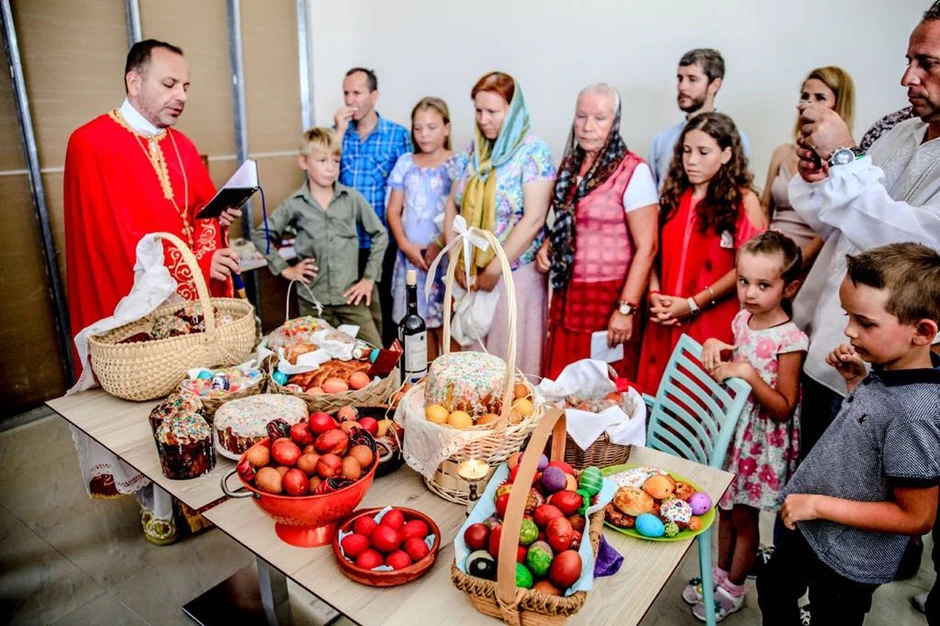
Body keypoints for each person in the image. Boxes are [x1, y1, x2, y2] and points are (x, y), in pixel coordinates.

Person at [64, 39, 241, 544]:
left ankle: (195, 491)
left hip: (185, 301)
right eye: (169, 84)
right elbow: (113, 240)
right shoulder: (91, 143)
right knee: (146, 402)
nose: (181, 95)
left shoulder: (182, 146)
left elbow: (200, 218)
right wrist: (195, 264)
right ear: (133, 81)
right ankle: (156, 502)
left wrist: (217, 224)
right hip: (136, 301)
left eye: (186, 85)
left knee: (190, 395)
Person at [757, 242, 940, 626]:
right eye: (848, 316)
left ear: (922, 332)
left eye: (866, 323)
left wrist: (818, 506)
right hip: (814, 525)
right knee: (774, 586)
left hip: (849, 558)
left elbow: (917, 517)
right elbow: (875, 432)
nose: (849, 330)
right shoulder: (891, 370)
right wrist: (858, 381)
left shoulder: (916, 412)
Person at [788, 4, 940, 462]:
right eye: (909, 61)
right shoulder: (901, 133)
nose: (907, 78)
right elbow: (840, 225)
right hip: (826, 342)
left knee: (861, 516)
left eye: (926, 64)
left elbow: (910, 252)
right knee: (805, 495)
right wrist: (819, 179)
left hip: (883, 373)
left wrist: (845, 160)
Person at [681, 232, 807, 622]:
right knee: (724, 509)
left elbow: (784, 407)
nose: (749, 293)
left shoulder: (790, 340)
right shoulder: (744, 319)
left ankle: (734, 588)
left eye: (763, 285)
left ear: (791, 287)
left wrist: (748, 374)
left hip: (759, 443)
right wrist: (721, 345)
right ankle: (717, 574)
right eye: (743, 281)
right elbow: (739, 355)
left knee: (744, 519)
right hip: (733, 433)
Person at [636, 112, 766, 394]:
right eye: (686, 150)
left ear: (726, 154)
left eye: (703, 152)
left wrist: (693, 304)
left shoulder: (743, 201)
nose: (691, 160)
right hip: (664, 316)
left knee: (691, 398)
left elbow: (749, 269)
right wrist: (655, 294)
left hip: (710, 322)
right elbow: (654, 252)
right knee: (653, 397)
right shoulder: (674, 195)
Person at [537, 83, 658, 381]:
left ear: (614, 122)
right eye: (581, 116)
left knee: (600, 392)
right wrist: (549, 245)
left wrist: (626, 310)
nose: (587, 126)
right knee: (563, 385)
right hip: (568, 297)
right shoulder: (570, 166)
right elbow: (572, 220)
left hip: (608, 301)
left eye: (599, 118)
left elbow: (648, 247)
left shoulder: (633, 171)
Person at [443, 71, 555, 378]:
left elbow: (534, 218)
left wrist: (494, 269)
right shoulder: (471, 151)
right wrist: (457, 263)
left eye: (493, 112)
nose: (483, 119)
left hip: (513, 276)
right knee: (475, 366)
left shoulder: (533, 153)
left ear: (513, 110)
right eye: (478, 111)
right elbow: (453, 206)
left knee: (511, 365)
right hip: (472, 275)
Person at [251, 128, 387, 348]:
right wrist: (287, 269)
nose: (330, 167)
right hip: (313, 300)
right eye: (322, 160)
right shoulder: (294, 203)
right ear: (304, 162)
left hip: (350, 297)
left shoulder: (352, 199)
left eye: (335, 160)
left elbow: (380, 235)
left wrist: (368, 279)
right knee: (319, 358)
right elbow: (261, 235)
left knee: (375, 354)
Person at [334, 67, 411, 347]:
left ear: (374, 96)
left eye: (357, 92)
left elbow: (408, 189)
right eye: (346, 93)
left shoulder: (397, 135)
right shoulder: (337, 135)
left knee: (387, 307)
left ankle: (391, 371)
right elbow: (321, 179)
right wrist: (339, 134)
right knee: (351, 310)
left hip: (383, 238)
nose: (350, 100)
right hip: (346, 240)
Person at [762, 67, 854, 271]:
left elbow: (835, 227)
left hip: (811, 264)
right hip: (769, 256)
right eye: (805, 97)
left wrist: (798, 264)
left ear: (839, 105)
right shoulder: (782, 152)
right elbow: (764, 209)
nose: (809, 105)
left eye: (820, 98)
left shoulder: (845, 163)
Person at [386, 97, 457, 360]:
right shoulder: (406, 162)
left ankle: (445, 379)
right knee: (417, 325)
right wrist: (405, 246)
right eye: (418, 128)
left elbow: (460, 210)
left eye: (431, 127)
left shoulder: (457, 163)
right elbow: (394, 210)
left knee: (446, 324)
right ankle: (420, 384)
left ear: (447, 128)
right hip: (412, 259)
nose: (424, 134)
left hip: (443, 258)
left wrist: (439, 245)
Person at [649, 49, 751, 188]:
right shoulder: (661, 140)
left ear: (715, 84)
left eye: (692, 79)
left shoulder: (734, 138)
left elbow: (739, 190)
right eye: (680, 79)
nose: (682, 87)